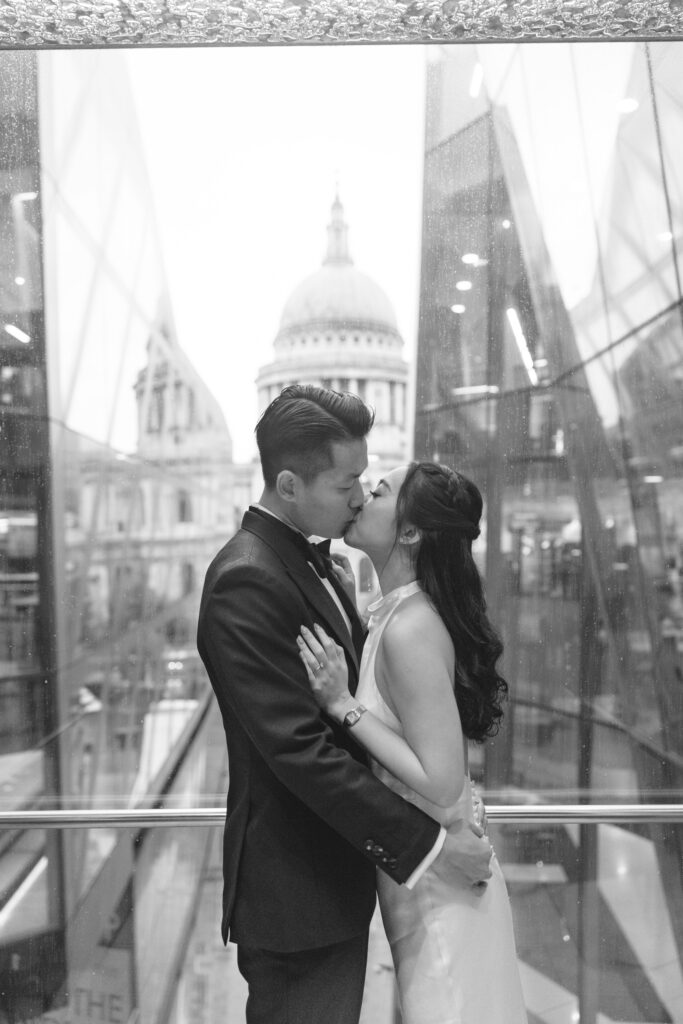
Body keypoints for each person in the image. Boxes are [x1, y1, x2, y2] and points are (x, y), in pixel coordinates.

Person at [196, 386, 493, 1024]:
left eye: (367, 481)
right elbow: (303, 754)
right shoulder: (246, 579)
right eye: (346, 482)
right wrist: (433, 848)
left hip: (336, 879)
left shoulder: (318, 564)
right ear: (288, 483)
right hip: (296, 896)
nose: (358, 496)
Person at [298, 461, 528, 1024]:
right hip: (434, 879)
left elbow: (443, 779)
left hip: (443, 895)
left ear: (410, 531)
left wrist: (341, 704)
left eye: (377, 491)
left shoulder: (410, 627)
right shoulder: (399, 613)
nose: (361, 497)